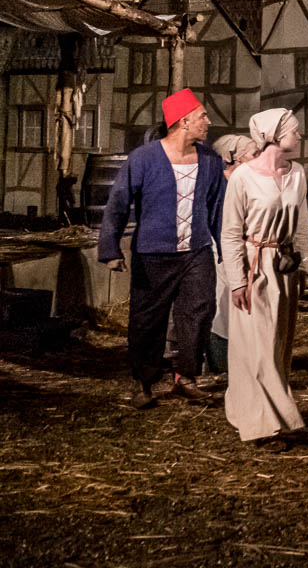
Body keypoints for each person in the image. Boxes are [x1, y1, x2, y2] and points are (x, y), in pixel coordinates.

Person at [99, 88, 226, 409]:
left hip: (196, 251)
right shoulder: (144, 158)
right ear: (183, 121)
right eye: (202, 116)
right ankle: (144, 381)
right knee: (147, 319)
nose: (208, 122)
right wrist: (110, 248)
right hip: (153, 252)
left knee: (199, 312)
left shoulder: (210, 160)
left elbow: (219, 209)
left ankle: (185, 377)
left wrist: (226, 249)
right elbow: (118, 203)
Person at [222, 108, 308, 446]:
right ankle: (264, 425)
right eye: (294, 131)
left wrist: (304, 268)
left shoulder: (297, 173)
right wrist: (238, 281)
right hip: (254, 266)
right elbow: (231, 233)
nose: (299, 136)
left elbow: (301, 225)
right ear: (274, 135)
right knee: (255, 347)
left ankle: (258, 411)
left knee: (277, 344)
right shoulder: (243, 177)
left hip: (284, 267)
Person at [206, 134, 260, 374]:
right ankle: (220, 358)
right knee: (223, 301)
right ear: (231, 159)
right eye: (253, 155)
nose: (258, 159)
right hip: (221, 250)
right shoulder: (219, 184)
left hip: (246, 251)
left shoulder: (250, 182)